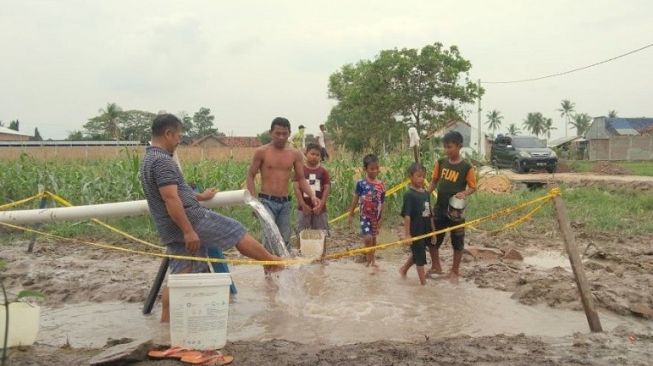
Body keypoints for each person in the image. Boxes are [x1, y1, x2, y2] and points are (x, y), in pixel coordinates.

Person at [139, 114, 282, 322]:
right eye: (178, 136)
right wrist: (188, 231)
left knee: (181, 276)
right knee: (236, 230)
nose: (179, 140)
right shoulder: (162, 161)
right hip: (190, 220)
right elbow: (171, 198)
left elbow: (173, 191)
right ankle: (272, 261)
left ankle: (165, 326)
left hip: (169, 228)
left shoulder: (148, 159)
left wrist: (199, 196)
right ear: (168, 134)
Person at [247, 117, 319, 256]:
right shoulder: (262, 152)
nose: (281, 137)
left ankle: (282, 275)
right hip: (266, 202)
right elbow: (250, 175)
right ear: (270, 133)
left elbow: (301, 178)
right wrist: (253, 202)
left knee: (285, 239)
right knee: (269, 240)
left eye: (284, 134)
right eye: (277, 133)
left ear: (289, 133)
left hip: (284, 203)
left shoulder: (295, 154)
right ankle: (268, 277)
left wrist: (312, 196)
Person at [428, 131, 476, 282]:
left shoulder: (466, 167)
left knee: (457, 240)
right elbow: (434, 181)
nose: (447, 150)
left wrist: (465, 192)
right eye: (445, 147)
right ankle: (436, 266)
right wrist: (425, 194)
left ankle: (455, 271)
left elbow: (473, 187)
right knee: (433, 239)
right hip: (440, 207)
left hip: (456, 211)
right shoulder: (441, 163)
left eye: (449, 147)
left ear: (459, 146)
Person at [348, 154, 385, 267]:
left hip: (376, 216)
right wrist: (351, 213)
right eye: (371, 169)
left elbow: (382, 202)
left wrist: (381, 217)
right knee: (368, 237)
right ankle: (368, 261)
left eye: (376, 168)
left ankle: (372, 260)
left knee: (373, 239)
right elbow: (355, 198)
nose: (374, 171)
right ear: (365, 169)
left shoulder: (381, 185)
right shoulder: (361, 183)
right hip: (364, 215)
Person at [293, 143, 331, 255]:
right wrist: (303, 204)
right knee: (301, 233)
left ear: (320, 157)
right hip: (303, 208)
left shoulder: (323, 172)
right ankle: (301, 255)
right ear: (306, 153)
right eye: (312, 153)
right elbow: (296, 188)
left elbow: (326, 189)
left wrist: (321, 204)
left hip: (320, 209)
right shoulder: (300, 170)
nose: (314, 156)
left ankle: (322, 257)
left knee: (321, 233)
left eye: (317, 155)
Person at [399, 163, 433, 285]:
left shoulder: (426, 194)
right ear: (411, 177)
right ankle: (423, 284)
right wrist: (407, 235)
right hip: (415, 231)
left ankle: (403, 269)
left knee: (417, 253)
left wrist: (433, 232)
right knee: (420, 258)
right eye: (418, 176)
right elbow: (407, 216)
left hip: (426, 229)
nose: (421, 179)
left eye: (423, 176)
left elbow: (430, 213)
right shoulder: (409, 195)